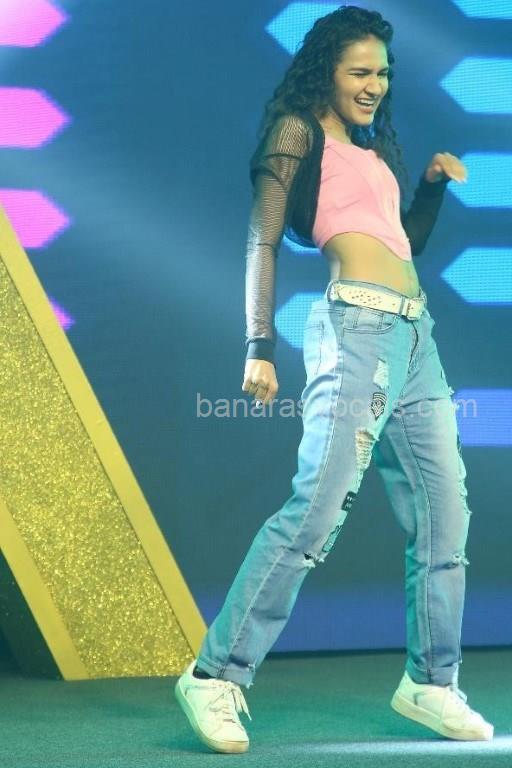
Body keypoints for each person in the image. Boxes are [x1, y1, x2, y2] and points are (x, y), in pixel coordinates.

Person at [175, 5, 493, 753]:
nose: (375, 85)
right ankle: (214, 675)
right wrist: (259, 345)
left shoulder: (372, 152)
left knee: (447, 516)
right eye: (360, 71)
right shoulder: (297, 132)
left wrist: (432, 187)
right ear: (327, 72)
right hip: (356, 331)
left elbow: (402, 242)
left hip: (417, 337)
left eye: (382, 72)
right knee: (317, 510)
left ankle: (431, 682)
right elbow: (262, 237)